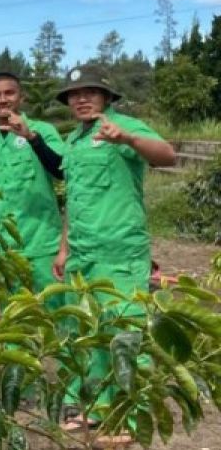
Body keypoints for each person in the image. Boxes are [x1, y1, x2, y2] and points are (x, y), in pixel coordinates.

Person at [55, 66, 175, 431]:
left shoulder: (125, 128)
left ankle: (129, 407)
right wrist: (63, 248)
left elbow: (167, 155)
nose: (81, 99)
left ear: (107, 98)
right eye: (74, 94)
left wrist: (127, 139)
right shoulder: (74, 141)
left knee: (124, 326)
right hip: (82, 251)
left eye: (90, 92)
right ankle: (89, 403)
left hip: (120, 249)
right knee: (86, 328)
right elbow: (75, 200)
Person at [0, 72, 66, 295]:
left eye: (9, 93)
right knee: (13, 319)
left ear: (22, 97)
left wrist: (32, 138)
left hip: (43, 244)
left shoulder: (43, 131)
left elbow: (60, 170)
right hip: (4, 249)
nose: (3, 99)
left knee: (54, 315)